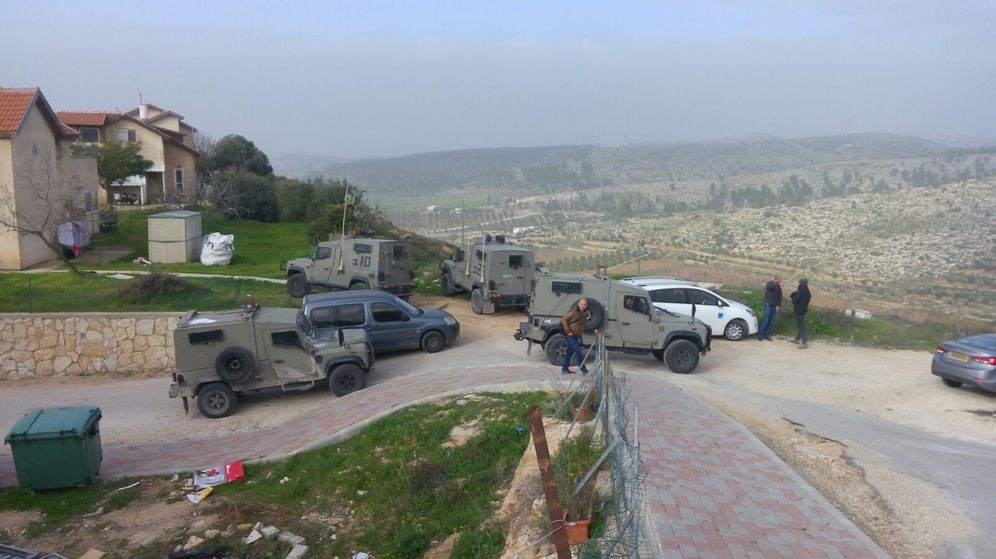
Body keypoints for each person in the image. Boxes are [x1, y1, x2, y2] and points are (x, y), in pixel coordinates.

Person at [560, 298, 590, 375]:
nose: (582, 306)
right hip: (570, 335)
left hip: (577, 336)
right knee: (578, 351)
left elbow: (582, 325)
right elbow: (564, 320)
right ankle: (583, 369)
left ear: (586, 305)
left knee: (569, 353)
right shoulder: (573, 312)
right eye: (581, 304)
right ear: (578, 304)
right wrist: (568, 331)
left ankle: (564, 369)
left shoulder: (584, 313)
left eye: (584, 304)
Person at [758, 275, 782, 341]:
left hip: (774, 307)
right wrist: (777, 284)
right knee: (765, 321)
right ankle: (760, 335)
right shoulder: (769, 284)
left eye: (780, 281)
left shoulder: (778, 286)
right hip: (767, 306)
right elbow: (772, 287)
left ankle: (766, 335)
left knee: (771, 322)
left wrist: (778, 305)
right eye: (779, 280)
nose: (780, 282)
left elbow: (779, 297)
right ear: (775, 279)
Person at [790, 278, 812, 349]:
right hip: (804, 310)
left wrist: (793, 296)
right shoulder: (808, 292)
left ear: (800, 283)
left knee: (802, 327)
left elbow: (794, 301)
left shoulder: (800, 291)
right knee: (800, 325)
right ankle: (797, 339)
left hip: (798, 310)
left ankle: (804, 343)